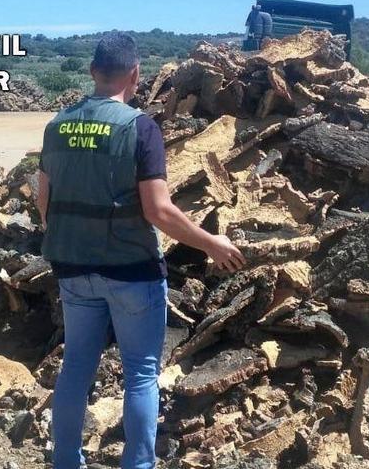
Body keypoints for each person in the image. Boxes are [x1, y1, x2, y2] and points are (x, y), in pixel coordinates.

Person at [36, 33, 246, 469]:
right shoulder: (139, 127)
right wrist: (212, 243)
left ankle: (65, 463)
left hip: (73, 268)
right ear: (135, 74)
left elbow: (45, 203)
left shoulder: (56, 125)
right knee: (141, 374)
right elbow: (157, 209)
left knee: (76, 366)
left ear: (93, 71)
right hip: (131, 271)